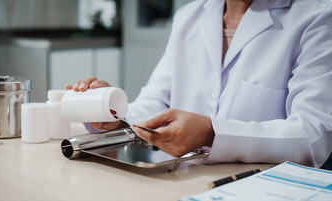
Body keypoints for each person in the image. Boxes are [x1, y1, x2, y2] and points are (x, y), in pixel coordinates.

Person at [66, 0, 332, 168]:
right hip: (182, 179)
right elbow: (156, 102)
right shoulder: (188, 16)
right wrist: (115, 114)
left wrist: (211, 133)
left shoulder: (316, 17)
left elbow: (313, 136)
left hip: (260, 190)